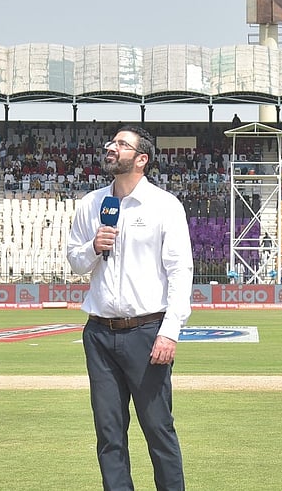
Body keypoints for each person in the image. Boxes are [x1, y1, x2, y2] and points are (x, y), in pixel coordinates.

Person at [66, 125, 193, 491]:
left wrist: (169, 331)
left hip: (147, 332)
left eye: (122, 144)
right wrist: (93, 245)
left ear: (141, 160)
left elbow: (180, 273)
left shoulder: (164, 205)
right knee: (109, 434)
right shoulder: (91, 204)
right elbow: (75, 261)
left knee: (158, 429)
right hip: (99, 333)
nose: (112, 147)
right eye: (112, 142)